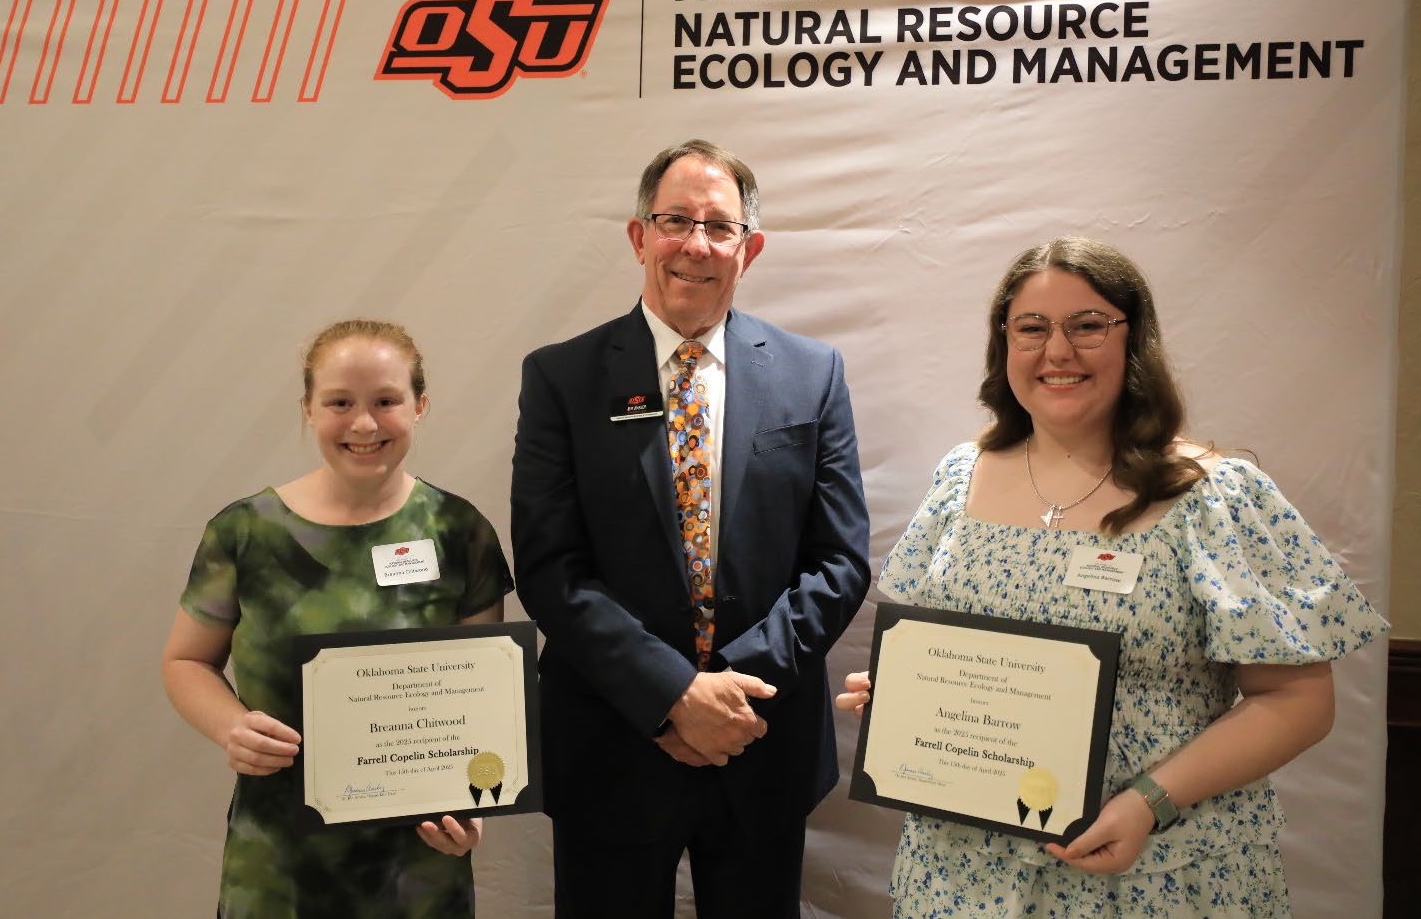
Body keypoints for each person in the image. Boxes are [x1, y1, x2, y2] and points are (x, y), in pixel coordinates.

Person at [836, 237, 1389, 917]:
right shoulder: (960, 478)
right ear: (1003, 343)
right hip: (962, 877)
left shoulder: (1211, 495)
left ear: (1136, 340)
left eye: (1087, 325)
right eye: (1032, 328)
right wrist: (909, 695)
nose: (1057, 351)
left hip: (1157, 876)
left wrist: (1148, 803)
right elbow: (955, 653)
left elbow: (1300, 700)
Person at [511, 139, 871, 918]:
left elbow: (839, 561)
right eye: (675, 221)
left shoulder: (814, 374)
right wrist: (672, 691)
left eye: (719, 226)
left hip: (759, 736)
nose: (695, 245)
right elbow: (550, 568)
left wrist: (726, 693)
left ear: (751, 248)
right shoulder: (561, 378)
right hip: (611, 741)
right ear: (640, 236)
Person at [162, 319, 513, 918]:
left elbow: (482, 701)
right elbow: (185, 661)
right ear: (307, 408)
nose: (364, 424)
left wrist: (475, 801)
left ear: (420, 405)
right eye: (340, 402)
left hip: (418, 858)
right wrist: (231, 727)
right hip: (279, 858)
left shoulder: (460, 532)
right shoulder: (243, 532)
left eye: (386, 401)